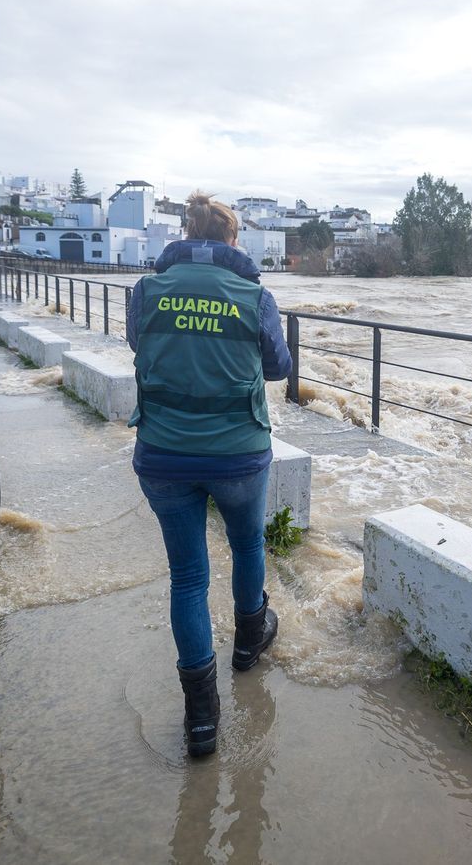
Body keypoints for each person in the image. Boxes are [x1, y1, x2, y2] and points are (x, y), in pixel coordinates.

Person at [126, 192, 292, 757]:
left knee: (188, 579)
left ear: (185, 236)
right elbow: (277, 366)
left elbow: (139, 347)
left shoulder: (146, 292)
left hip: (164, 454)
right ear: (230, 241)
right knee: (247, 545)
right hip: (238, 454)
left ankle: (202, 722)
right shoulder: (253, 294)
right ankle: (249, 645)